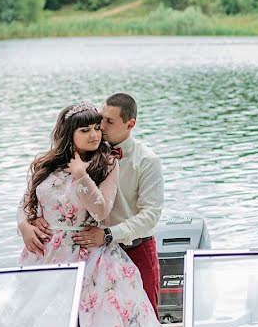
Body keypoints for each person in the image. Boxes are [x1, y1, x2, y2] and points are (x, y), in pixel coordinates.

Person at [16, 102, 180, 327]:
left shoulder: (105, 165)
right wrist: (24, 224)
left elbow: (102, 211)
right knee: (41, 325)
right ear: (68, 134)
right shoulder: (43, 163)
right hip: (46, 254)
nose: (95, 134)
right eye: (86, 129)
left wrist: (81, 177)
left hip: (90, 255)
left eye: (97, 127)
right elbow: (26, 203)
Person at [20, 93, 164, 311]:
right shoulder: (79, 153)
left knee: (141, 313)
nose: (100, 128)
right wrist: (25, 223)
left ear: (130, 124)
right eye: (98, 121)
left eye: (107, 122)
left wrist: (107, 234)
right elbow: (30, 198)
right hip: (75, 248)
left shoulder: (144, 161)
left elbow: (150, 216)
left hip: (131, 246)